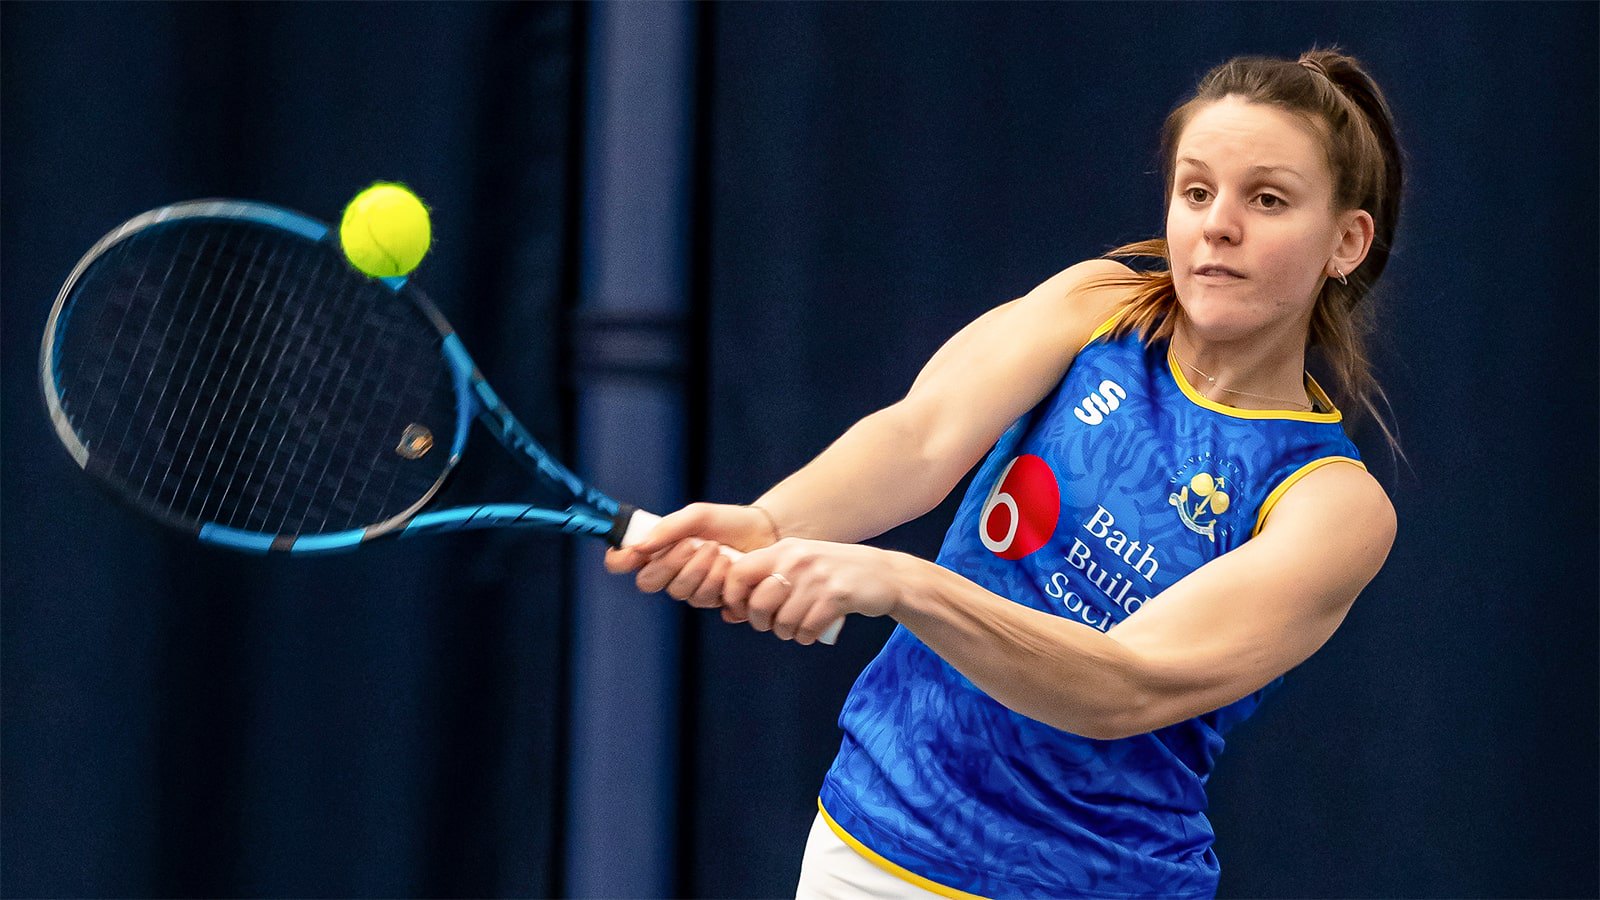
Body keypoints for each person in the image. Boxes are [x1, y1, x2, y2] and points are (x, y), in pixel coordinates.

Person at [606, 48, 1402, 899]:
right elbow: (921, 437)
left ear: (1346, 242)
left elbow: (1121, 686)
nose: (1218, 225)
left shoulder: (1332, 507)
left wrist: (903, 584)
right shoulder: (1095, 308)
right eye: (1196, 191)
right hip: (869, 841)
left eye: (1268, 200)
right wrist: (769, 524)